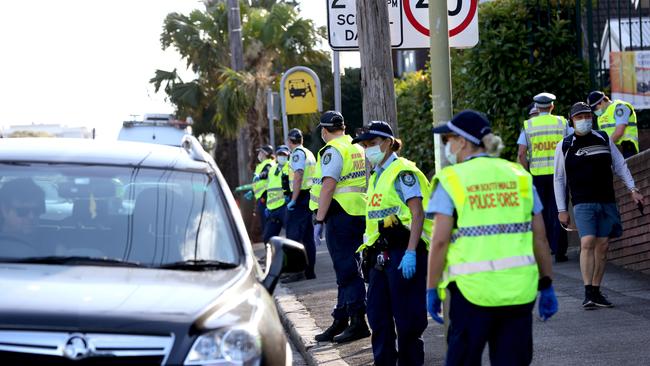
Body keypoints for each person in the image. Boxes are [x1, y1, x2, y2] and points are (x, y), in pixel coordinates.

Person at [427, 110, 558, 366]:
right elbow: (540, 239)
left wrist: (431, 288)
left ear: (462, 141)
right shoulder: (519, 175)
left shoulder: (453, 179)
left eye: (447, 140)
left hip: (472, 293)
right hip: (519, 292)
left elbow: (439, 241)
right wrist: (547, 284)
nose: (447, 147)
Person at [353, 121, 433, 366]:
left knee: (407, 321)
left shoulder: (403, 172)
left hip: (403, 252)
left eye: (373, 144)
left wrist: (410, 252)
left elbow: (417, 214)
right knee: (378, 318)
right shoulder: (377, 175)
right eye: (365, 146)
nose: (368, 149)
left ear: (388, 142)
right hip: (380, 256)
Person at [554, 102, 646, 309]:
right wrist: (561, 209)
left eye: (587, 115)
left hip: (606, 200)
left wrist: (633, 189)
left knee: (603, 246)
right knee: (587, 242)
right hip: (582, 202)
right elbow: (559, 178)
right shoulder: (565, 145)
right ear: (572, 120)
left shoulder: (603, 138)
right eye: (579, 117)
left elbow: (620, 164)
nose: (584, 119)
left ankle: (596, 290)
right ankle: (588, 291)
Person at [310, 110, 370, 343]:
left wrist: (319, 219)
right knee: (347, 269)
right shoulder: (355, 146)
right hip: (357, 211)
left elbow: (328, 186)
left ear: (324, 131)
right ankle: (341, 319)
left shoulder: (333, 150)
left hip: (340, 214)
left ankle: (358, 322)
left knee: (347, 270)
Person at [517, 92, 570, 262]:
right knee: (560, 209)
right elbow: (571, 144)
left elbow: (521, 153)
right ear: (552, 106)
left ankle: (548, 248)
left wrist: (526, 173)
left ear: (537, 107)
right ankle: (560, 250)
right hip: (559, 174)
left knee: (543, 213)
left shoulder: (528, 125)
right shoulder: (562, 122)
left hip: (537, 176)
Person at [286, 128, 317, 280]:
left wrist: (293, 199)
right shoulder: (308, 152)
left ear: (289, 141)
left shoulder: (297, 153)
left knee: (293, 236)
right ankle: (309, 272)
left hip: (301, 197)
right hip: (309, 197)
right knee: (307, 237)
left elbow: (298, 176)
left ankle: (296, 272)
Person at [587, 91, 639, 158]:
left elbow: (619, 131)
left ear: (602, 101)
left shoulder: (620, 107)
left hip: (627, 148)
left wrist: (604, 146)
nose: (595, 111)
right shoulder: (600, 116)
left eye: (595, 108)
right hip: (612, 149)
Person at [262, 145, 290, 243]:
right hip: (272, 209)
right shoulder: (272, 169)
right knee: (267, 239)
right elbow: (270, 187)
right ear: (276, 156)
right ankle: (273, 257)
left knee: (292, 236)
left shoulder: (290, 167)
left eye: (284, 155)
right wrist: (268, 206)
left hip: (285, 207)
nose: (282, 157)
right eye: (280, 154)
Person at [249, 145, 276, 234]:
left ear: (265, 154)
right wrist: (252, 192)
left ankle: (269, 243)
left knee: (267, 225)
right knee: (264, 224)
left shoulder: (269, 163)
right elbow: (259, 184)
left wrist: (260, 176)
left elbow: (267, 173)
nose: (259, 154)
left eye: (260, 152)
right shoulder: (262, 164)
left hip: (266, 197)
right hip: (261, 197)